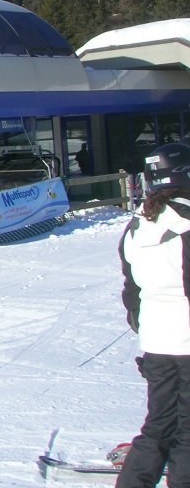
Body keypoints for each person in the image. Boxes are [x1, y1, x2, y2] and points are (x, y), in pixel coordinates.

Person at [116, 142, 190, 487]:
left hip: (158, 343)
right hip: (185, 340)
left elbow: (132, 289)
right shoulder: (185, 221)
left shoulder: (137, 224)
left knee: (159, 425)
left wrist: (141, 322)